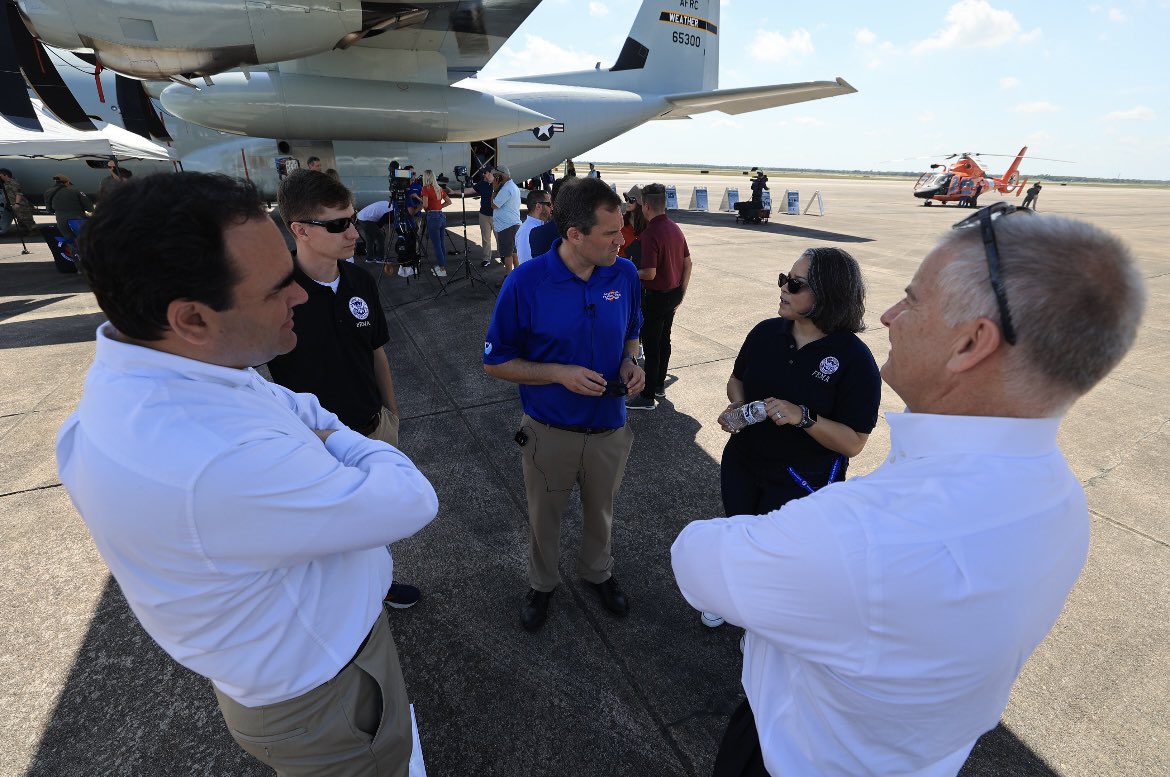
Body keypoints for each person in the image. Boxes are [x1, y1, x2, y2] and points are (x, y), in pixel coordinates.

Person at [672, 202, 1146, 777]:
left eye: (913, 300)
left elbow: (696, 559)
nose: (890, 316)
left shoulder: (863, 531)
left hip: (787, 753)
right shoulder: (1062, 503)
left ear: (971, 344)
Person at [57, 171, 439, 776]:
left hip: (298, 670)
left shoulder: (161, 374)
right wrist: (345, 440)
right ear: (193, 318)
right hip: (329, 698)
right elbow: (411, 497)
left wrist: (317, 438)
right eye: (276, 288)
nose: (298, 297)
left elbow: (292, 403)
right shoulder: (215, 461)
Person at [483, 176, 645, 632]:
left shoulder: (624, 274)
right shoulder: (525, 282)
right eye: (610, 233)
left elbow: (632, 332)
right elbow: (495, 362)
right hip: (549, 431)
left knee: (602, 513)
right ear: (574, 234)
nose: (621, 240)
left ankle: (598, 572)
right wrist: (559, 373)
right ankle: (543, 584)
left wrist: (632, 362)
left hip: (610, 428)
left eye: (621, 229)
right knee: (545, 518)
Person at [699, 246, 881, 629]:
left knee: (781, 554)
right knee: (740, 531)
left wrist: (803, 417)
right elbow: (737, 380)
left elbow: (854, 442)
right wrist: (739, 408)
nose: (783, 288)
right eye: (784, 279)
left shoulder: (854, 359)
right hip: (744, 461)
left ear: (828, 294)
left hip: (802, 478)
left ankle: (762, 624)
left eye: (795, 284)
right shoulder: (766, 332)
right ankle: (733, 597)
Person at [627, 183, 692, 410]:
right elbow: (688, 263)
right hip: (673, 294)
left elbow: (650, 273)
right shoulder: (675, 228)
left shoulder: (650, 233)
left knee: (651, 346)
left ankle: (647, 397)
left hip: (655, 297)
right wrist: (681, 293)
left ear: (646, 206)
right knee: (664, 341)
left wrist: (628, 272)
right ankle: (659, 386)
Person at [419, 169, 452, 278]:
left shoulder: (425, 189)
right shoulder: (439, 189)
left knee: (436, 244)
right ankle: (442, 265)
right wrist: (438, 207)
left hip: (433, 217)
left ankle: (442, 269)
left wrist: (418, 199)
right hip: (441, 216)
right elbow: (449, 201)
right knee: (441, 243)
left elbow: (425, 205)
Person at [43, 174, 93, 242]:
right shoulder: (76, 191)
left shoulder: (48, 192)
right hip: (77, 220)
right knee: (84, 241)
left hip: (61, 221)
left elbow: (49, 210)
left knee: (70, 241)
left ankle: (74, 249)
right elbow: (89, 208)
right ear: (67, 182)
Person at [491, 165, 522, 273]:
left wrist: (494, 189)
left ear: (500, 176)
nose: (494, 178)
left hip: (507, 226)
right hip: (512, 224)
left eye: (495, 176)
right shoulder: (512, 186)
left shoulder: (506, 189)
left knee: (507, 254)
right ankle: (517, 275)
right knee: (513, 252)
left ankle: (509, 276)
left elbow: (494, 205)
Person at [515, 188, 551, 265]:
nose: (552, 207)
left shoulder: (540, 226)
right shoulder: (526, 232)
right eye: (549, 204)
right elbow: (527, 264)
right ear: (538, 206)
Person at [0, 168, 36, 236]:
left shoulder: (13, 183)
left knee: (26, 218)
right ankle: (26, 231)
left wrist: (17, 203)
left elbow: (18, 194)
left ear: (6, 175)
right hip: (13, 204)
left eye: (1, 175)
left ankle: (33, 231)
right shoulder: (5, 184)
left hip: (21, 205)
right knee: (20, 219)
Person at [356, 198, 392, 264]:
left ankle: (369, 258)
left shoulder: (387, 204)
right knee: (381, 237)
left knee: (370, 239)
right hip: (367, 220)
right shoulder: (390, 210)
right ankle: (380, 258)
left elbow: (379, 216)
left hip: (361, 217)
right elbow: (382, 221)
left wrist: (380, 226)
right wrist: (380, 227)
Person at [474, 168, 497, 267]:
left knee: (499, 237)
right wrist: (455, 192)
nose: (483, 175)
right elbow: (471, 189)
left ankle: (504, 257)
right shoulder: (482, 183)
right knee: (486, 238)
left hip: (496, 215)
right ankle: (486, 258)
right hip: (484, 214)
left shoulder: (498, 184)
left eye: (485, 173)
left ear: (491, 173)